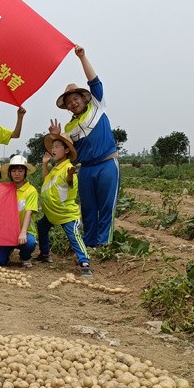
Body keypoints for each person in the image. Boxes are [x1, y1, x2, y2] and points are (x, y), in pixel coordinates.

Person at [48, 45, 119, 247]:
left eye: (76, 99)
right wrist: (57, 137)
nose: (73, 103)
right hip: (86, 169)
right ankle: (89, 243)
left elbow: (93, 80)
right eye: (69, 102)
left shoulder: (97, 104)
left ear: (83, 98)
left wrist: (82, 57)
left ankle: (104, 242)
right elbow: (67, 152)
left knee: (106, 206)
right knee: (88, 207)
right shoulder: (69, 127)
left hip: (107, 164)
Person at [37, 133, 92, 277]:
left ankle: (84, 262)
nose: (53, 149)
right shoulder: (55, 168)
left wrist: (70, 175)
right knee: (41, 227)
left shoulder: (68, 168)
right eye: (52, 147)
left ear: (66, 150)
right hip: (51, 213)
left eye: (57, 147)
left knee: (74, 236)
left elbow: (69, 180)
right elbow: (45, 181)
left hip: (66, 214)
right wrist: (44, 164)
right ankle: (44, 254)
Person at [0, 155, 38, 268]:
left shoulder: (31, 190)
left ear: (25, 172)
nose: (17, 174)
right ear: (9, 173)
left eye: (20, 170)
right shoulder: (4, 188)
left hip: (24, 231)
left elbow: (29, 212)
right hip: (6, 232)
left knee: (28, 243)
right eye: (13, 170)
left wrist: (23, 232)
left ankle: (25, 256)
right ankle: (6, 252)